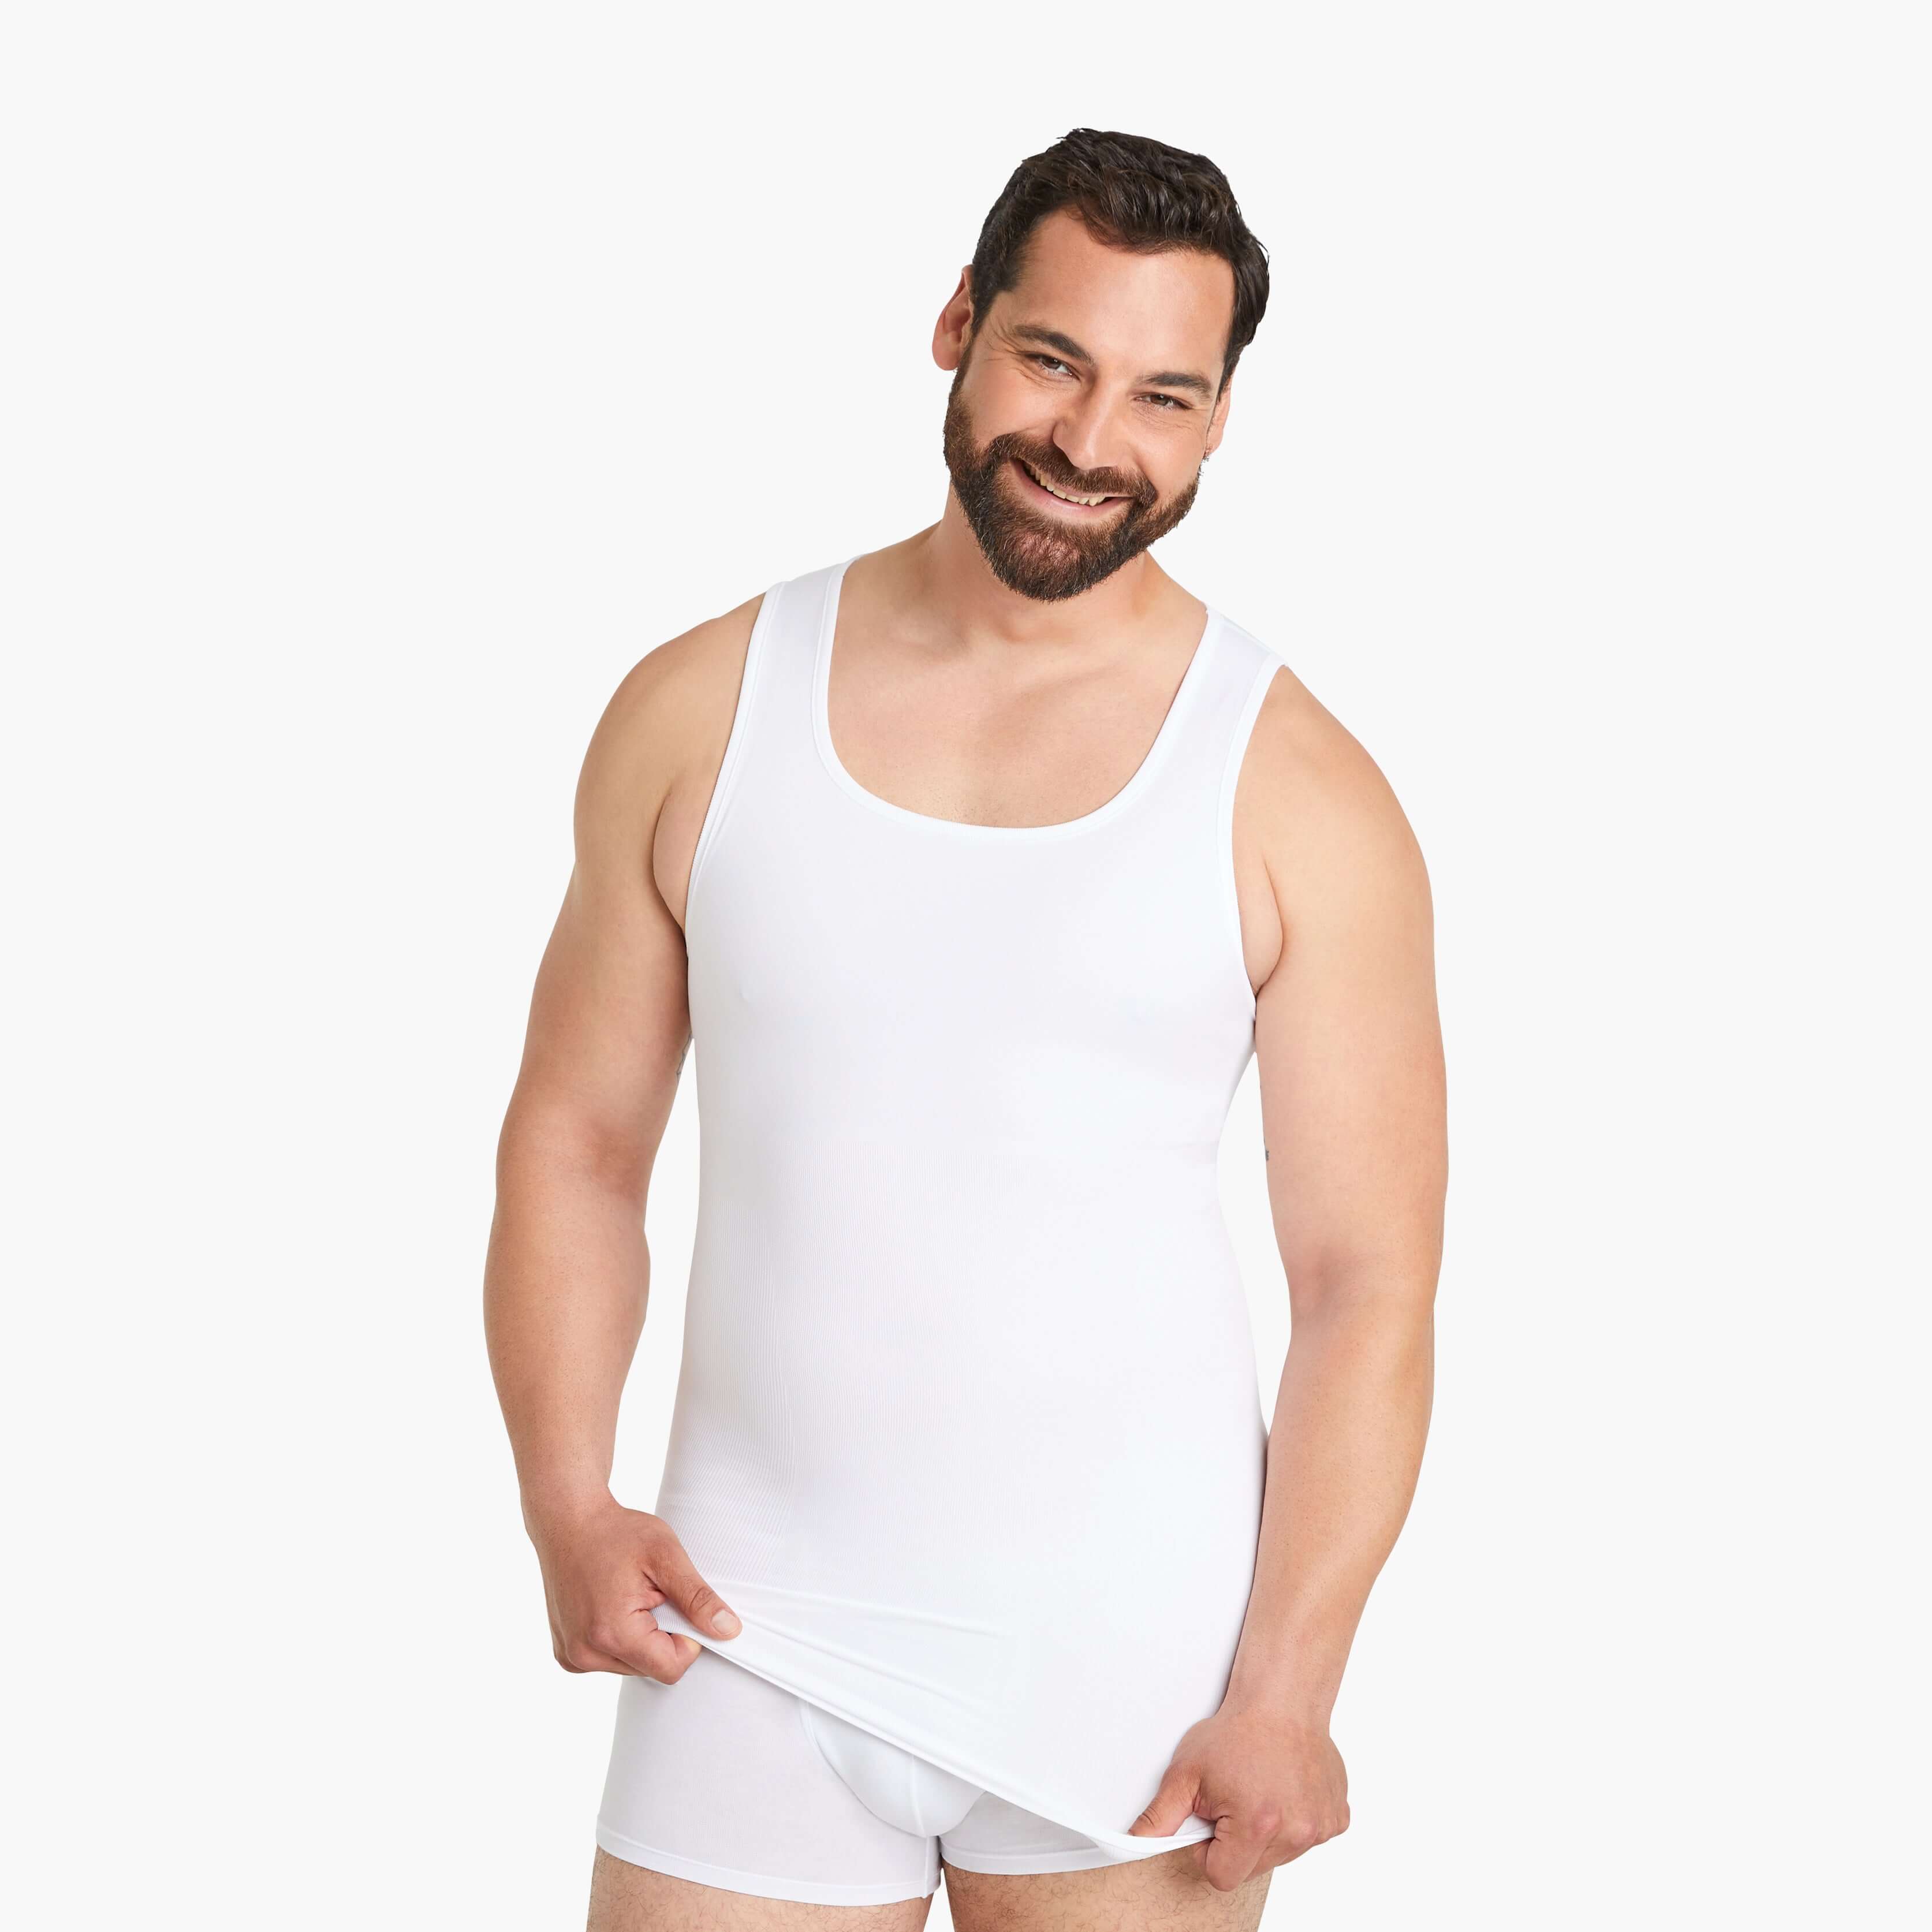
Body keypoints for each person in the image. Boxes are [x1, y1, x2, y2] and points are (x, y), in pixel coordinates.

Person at [484, 127, 1446, 1932]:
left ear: (1218, 420)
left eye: (1162, 396)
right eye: (1051, 359)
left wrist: (1289, 1689)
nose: (1090, 441)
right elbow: (578, 1142)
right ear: (957, 325)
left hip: (1138, 1675)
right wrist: (566, 1502)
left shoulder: (1298, 790)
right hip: (741, 1625)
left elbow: (1363, 1280)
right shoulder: (702, 706)